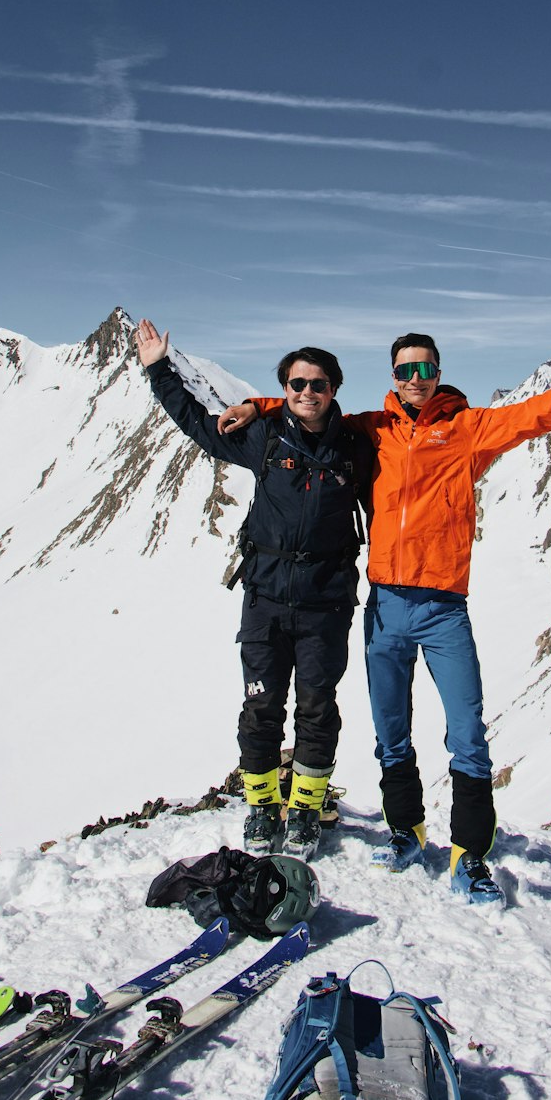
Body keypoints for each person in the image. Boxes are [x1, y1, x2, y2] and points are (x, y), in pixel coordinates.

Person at [219, 324, 551, 905]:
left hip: (443, 608)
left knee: (468, 736)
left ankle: (470, 855)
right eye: (404, 371)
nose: (415, 380)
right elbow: (311, 409)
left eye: (424, 369)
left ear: (438, 371)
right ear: (393, 377)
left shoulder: (469, 429)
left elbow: (547, 410)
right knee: (391, 736)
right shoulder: (369, 430)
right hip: (384, 606)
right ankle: (406, 833)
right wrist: (258, 405)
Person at [135, 318, 373, 861]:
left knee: (317, 709)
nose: (307, 392)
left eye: (318, 384)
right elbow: (197, 423)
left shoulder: (358, 446)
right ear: (285, 390)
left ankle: (306, 811)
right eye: (297, 384)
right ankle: (263, 808)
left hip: (326, 603)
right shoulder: (265, 437)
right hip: (265, 600)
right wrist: (159, 370)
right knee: (260, 710)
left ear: (334, 389)